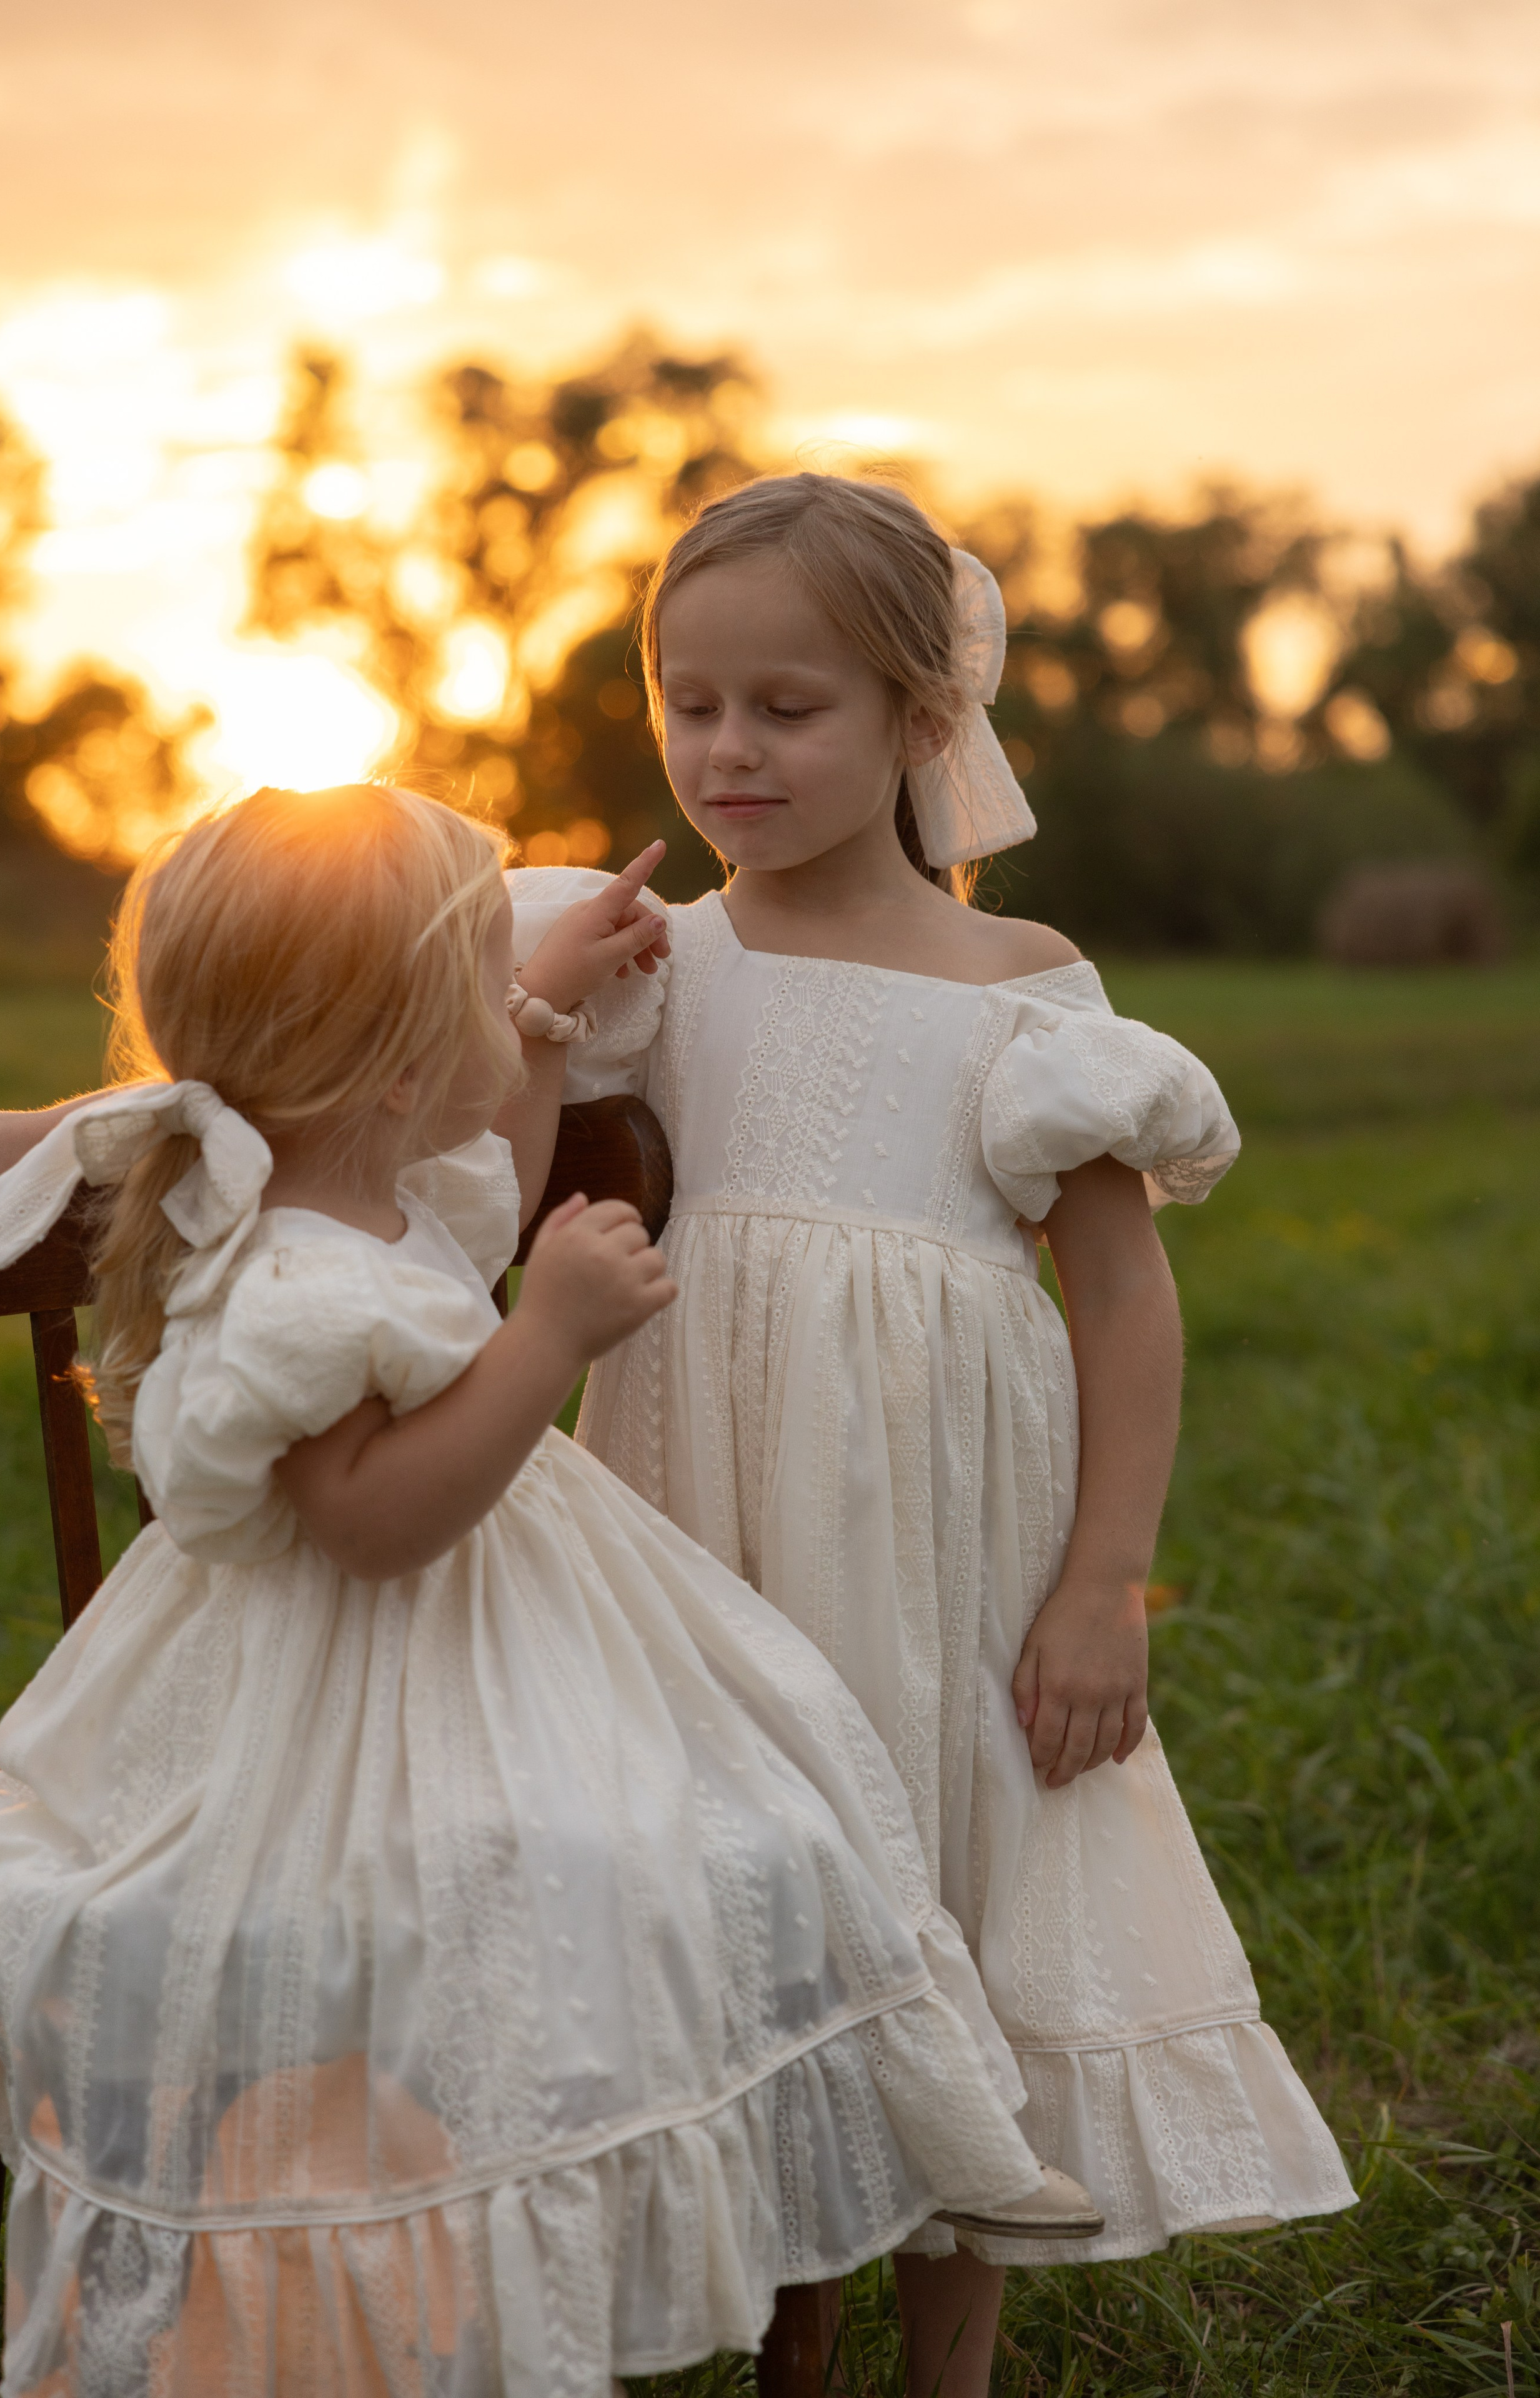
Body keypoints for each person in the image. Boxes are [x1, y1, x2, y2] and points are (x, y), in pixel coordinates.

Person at [0, 782, 1090, 2398]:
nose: (519, 1012)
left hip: (488, 1654)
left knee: (772, 1803)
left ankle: (908, 2131)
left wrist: (538, 1011)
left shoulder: (376, 1189)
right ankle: (459, 2256)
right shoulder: (292, 1281)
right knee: (559, 1878)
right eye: (484, 990)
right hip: (346, 1700)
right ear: (397, 1067)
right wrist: (544, 1340)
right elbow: (371, 1525)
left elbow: (497, 1167)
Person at [492, 474, 1357, 2397]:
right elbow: (428, 1146)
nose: (728, 748)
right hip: (691, 1515)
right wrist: (542, 1020)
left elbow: (1123, 1301)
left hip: (934, 1535)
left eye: (787, 708)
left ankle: (940, 2371)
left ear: (919, 718)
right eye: (689, 701)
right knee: (715, 1891)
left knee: (943, 1880)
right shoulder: (647, 961)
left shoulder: (1018, 989)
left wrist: (1107, 1584)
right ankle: (731, 2314)